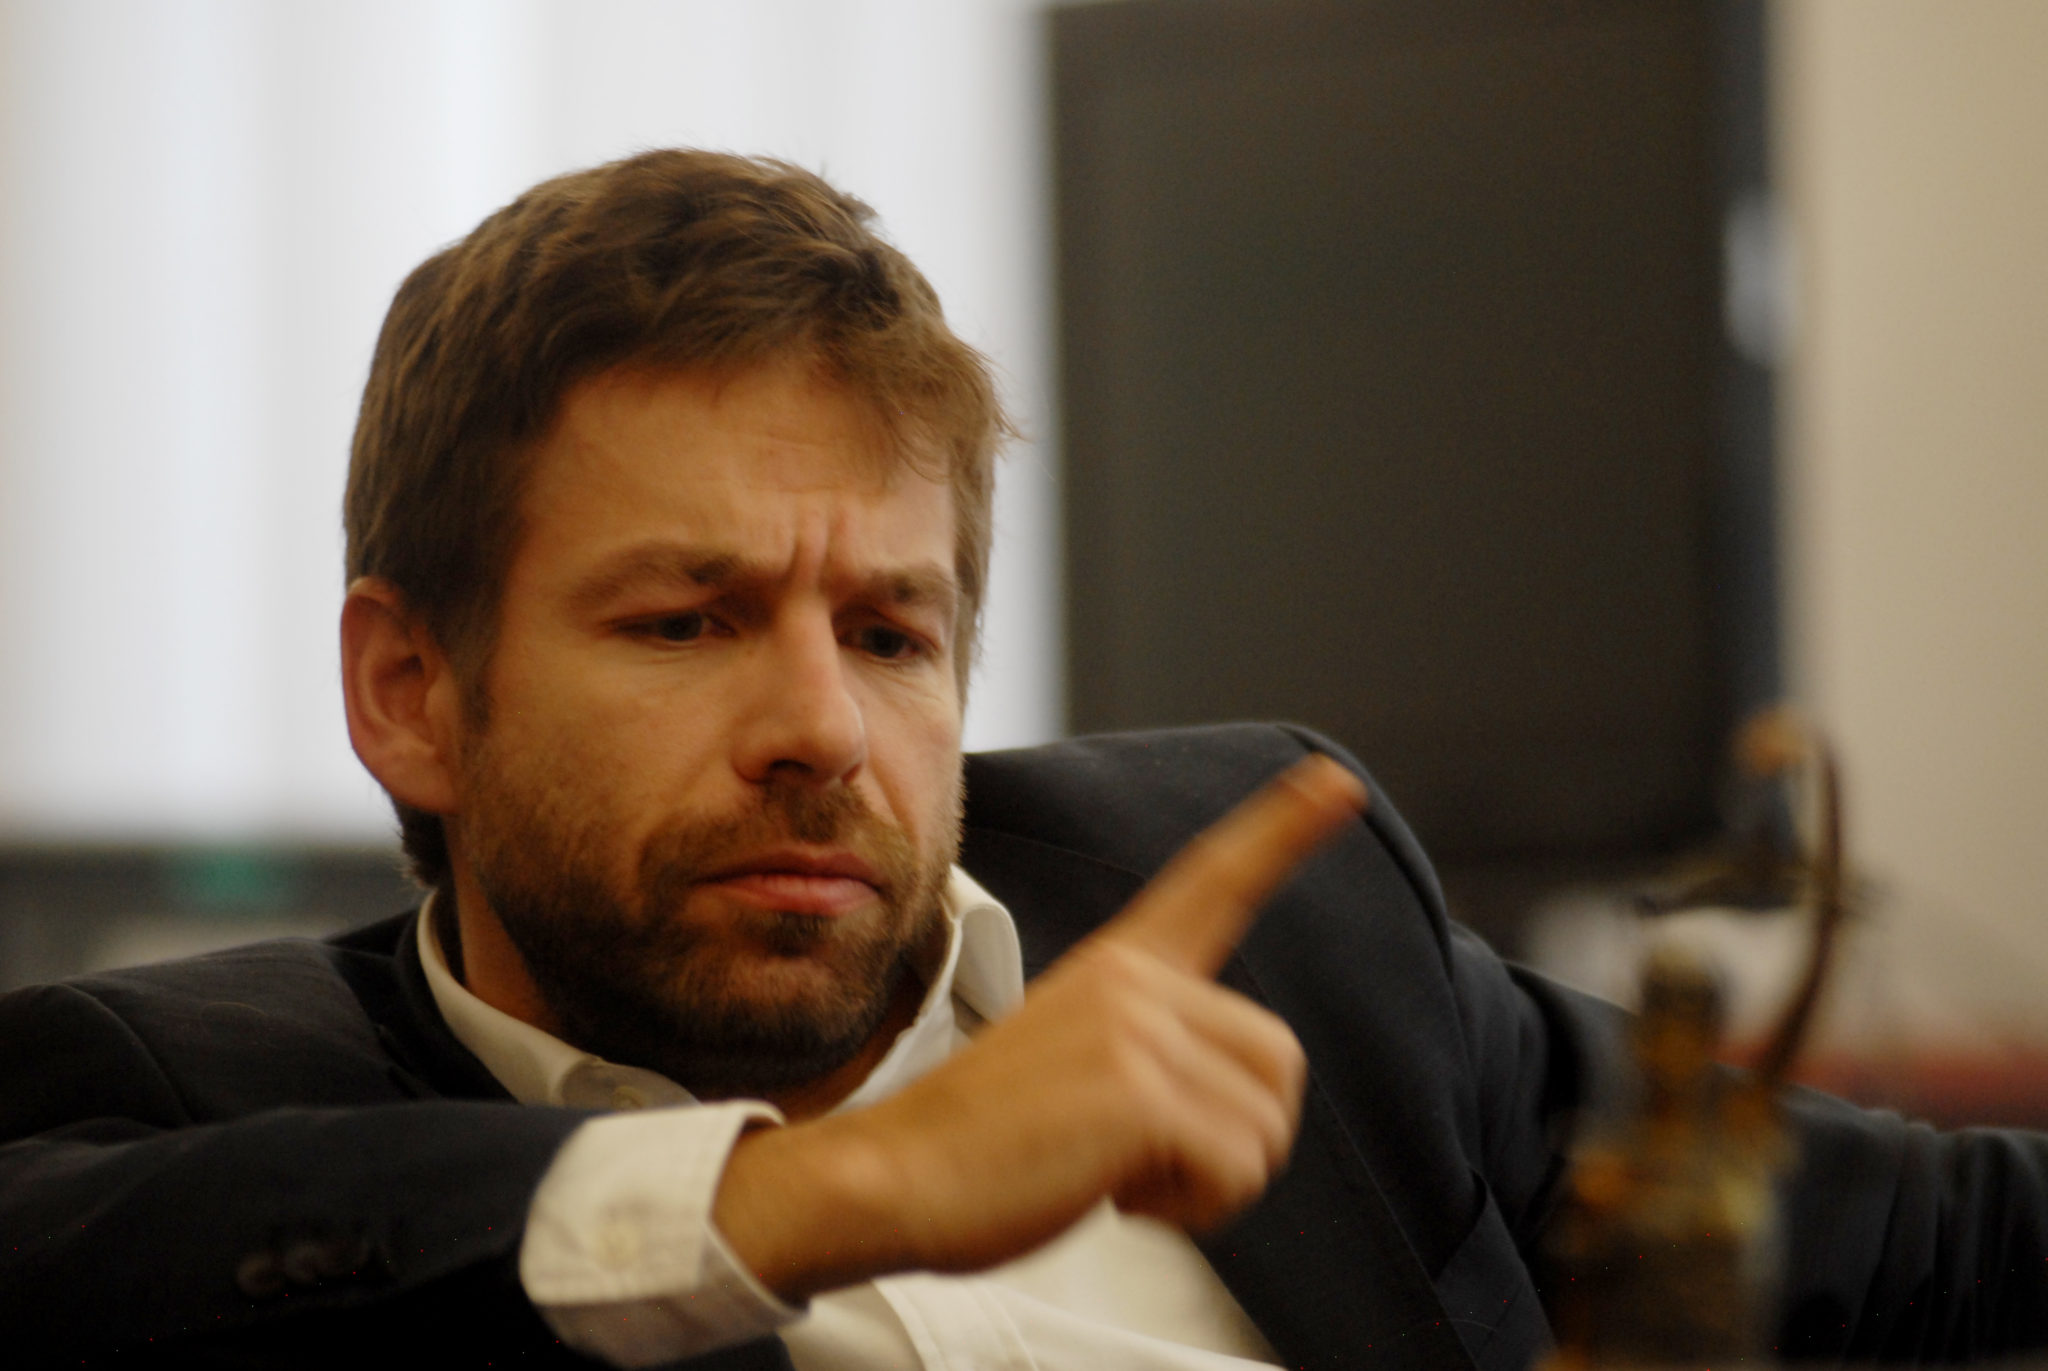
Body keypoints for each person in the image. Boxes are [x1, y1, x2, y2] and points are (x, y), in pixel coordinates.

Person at [1, 149, 2045, 1370]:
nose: (821, 729)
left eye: (891, 633)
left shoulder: (1270, 923)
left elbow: (1936, 1241)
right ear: (409, 691)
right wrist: (838, 1187)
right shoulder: (181, 1105)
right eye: (686, 619)